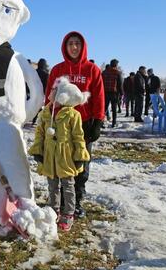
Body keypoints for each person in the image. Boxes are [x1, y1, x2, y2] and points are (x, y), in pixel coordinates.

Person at [44, 31, 104, 218]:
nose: (74, 47)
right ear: (65, 46)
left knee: (80, 162)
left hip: (84, 124)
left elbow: (99, 96)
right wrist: (47, 115)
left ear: (83, 46)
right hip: (61, 124)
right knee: (60, 161)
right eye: (70, 43)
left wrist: (98, 121)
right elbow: (49, 95)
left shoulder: (92, 70)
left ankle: (76, 200)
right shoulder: (57, 69)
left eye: (77, 43)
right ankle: (61, 200)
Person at [29, 77, 90, 231]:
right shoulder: (45, 112)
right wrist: (38, 150)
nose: (51, 91)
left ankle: (68, 213)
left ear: (63, 96)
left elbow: (78, 136)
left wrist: (79, 156)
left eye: (55, 90)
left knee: (68, 186)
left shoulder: (73, 115)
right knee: (52, 185)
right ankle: (53, 210)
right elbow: (40, 133)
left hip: (65, 157)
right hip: (50, 156)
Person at [102, 59, 123, 128]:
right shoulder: (117, 73)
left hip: (105, 93)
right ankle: (113, 123)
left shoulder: (104, 72)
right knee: (114, 109)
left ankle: (101, 122)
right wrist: (121, 93)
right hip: (114, 94)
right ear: (116, 65)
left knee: (104, 109)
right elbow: (120, 84)